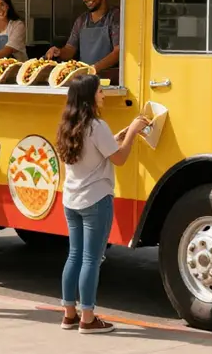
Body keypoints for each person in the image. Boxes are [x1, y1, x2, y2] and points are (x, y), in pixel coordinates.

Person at [55, 73, 149, 334]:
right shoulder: (96, 126)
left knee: (74, 256)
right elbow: (119, 158)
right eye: (99, 92)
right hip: (96, 199)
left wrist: (118, 136)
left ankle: (69, 314)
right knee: (91, 260)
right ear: (88, 98)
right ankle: (88, 317)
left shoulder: (66, 125)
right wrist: (132, 132)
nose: (103, 95)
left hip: (71, 200)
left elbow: (96, 151)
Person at [46, 0, 120, 82]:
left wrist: (93, 68)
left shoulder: (115, 16)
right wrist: (59, 52)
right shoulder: (81, 20)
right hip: (86, 81)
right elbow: (70, 49)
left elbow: (118, 52)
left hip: (108, 81)